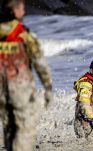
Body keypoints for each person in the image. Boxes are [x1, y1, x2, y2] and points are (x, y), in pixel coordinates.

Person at [0, 0, 53, 150]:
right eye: (22, 9)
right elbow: (40, 62)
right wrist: (48, 87)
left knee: (9, 127)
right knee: (25, 128)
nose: (24, 13)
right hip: (19, 86)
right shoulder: (23, 33)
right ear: (15, 11)